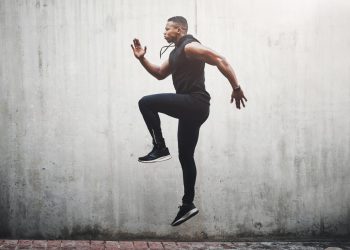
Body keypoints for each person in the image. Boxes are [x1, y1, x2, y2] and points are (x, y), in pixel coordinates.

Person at [131, 16, 247, 226]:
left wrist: (236, 87)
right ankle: (188, 204)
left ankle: (160, 147)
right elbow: (159, 73)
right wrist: (142, 59)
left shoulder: (190, 46)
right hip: (191, 109)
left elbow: (221, 60)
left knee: (146, 103)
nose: (164, 32)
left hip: (195, 102)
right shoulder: (176, 53)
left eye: (167, 29)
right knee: (186, 156)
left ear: (179, 29)